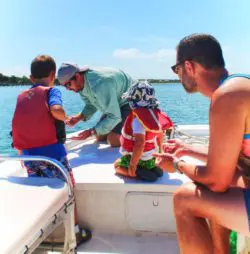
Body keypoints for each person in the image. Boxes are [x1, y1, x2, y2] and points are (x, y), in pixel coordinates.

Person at [153, 33, 250, 254]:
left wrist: (177, 165)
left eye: (176, 69)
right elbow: (228, 161)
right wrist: (187, 150)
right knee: (215, 183)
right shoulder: (238, 85)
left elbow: (217, 180)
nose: (178, 76)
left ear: (189, 66)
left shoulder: (227, 97)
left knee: (184, 200)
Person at [11, 55, 87, 246]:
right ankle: (75, 231)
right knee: (68, 190)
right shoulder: (51, 91)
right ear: (53, 75)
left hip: (30, 157)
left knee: (39, 193)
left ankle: (44, 234)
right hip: (53, 155)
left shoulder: (22, 96)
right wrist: (66, 117)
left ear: (31, 78)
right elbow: (55, 109)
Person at [57, 63, 136, 147]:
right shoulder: (80, 86)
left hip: (131, 100)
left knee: (113, 140)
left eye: (68, 84)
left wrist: (91, 132)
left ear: (77, 76)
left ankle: (141, 137)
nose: (68, 89)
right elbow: (91, 105)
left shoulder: (100, 84)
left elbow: (114, 116)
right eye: (64, 86)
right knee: (99, 136)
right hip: (116, 101)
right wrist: (78, 118)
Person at [114, 81, 173, 182]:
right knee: (149, 161)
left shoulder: (137, 120)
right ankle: (153, 169)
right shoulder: (155, 117)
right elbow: (160, 136)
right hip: (151, 157)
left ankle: (137, 172)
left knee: (116, 165)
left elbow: (139, 144)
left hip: (140, 158)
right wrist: (160, 153)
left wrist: (132, 165)